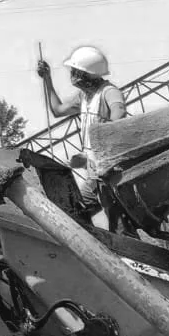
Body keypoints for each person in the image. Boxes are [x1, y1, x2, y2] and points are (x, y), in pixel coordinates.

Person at [37, 45, 127, 218]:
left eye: (74, 71)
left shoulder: (108, 91)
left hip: (109, 173)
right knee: (75, 213)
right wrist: (47, 79)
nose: (72, 75)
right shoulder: (84, 97)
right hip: (95, 174)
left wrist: (103, 142)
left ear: (85, 74)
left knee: (118, 222)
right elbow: (58, 110)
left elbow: (119, 111)